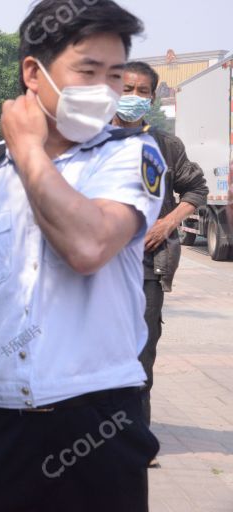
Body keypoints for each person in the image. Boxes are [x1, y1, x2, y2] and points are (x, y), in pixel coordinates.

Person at [0, 1, 165, 510]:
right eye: (87, 71)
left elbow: (88, 246)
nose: (104, 91)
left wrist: (29, 153)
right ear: (33, 73)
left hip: (99, 424)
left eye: (114, 75)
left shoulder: (131, 156)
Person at [112, 61, 208, 443]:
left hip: (146, 267)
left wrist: (169, 223)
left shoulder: (167, 146)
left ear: (152, 98)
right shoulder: (86, 141)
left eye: (141, 92)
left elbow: (196, 190)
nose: (133, 98)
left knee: (141, 354)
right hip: (94, 269)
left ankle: (134, 439)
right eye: (126, 89)